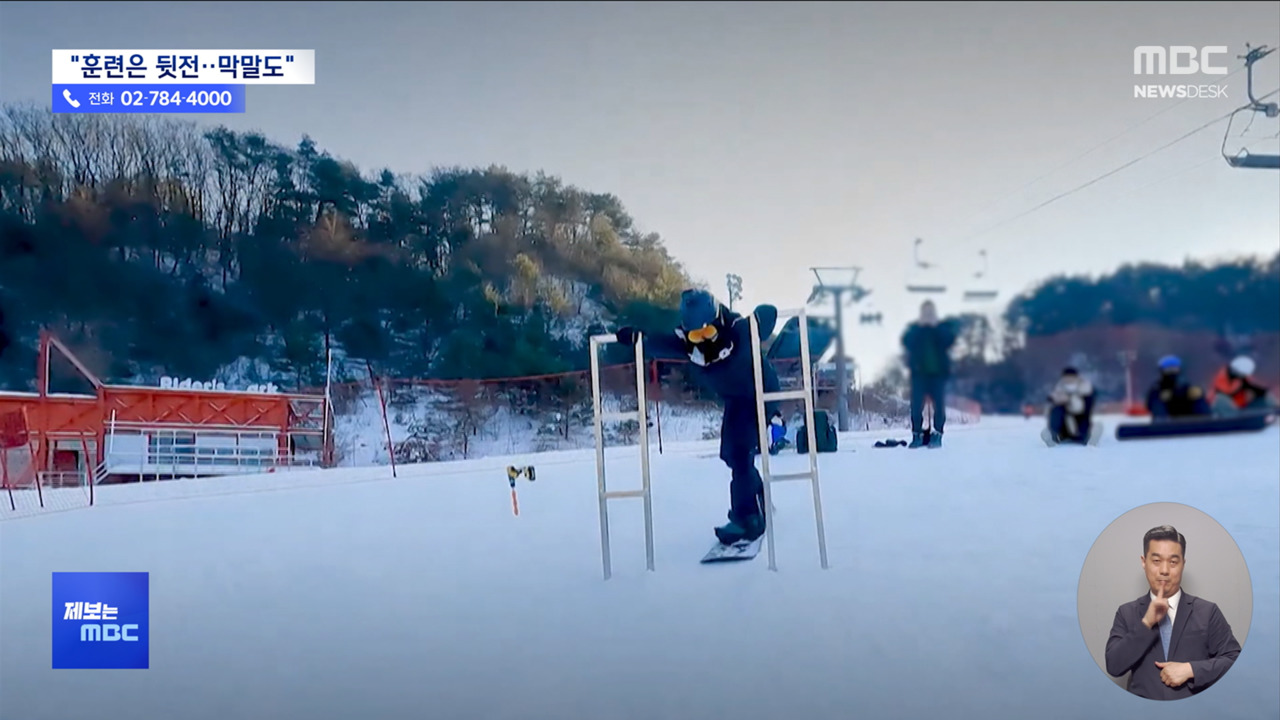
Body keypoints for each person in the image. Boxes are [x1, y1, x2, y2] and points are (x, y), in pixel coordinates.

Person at [613, 289, 779, 546]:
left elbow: (769, 314)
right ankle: (757, 499)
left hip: (760, 393)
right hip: (736, 399)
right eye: (695, 335)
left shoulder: (739, 332)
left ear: (718, 322)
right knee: (732, 456)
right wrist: (636, 338)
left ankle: (748, 518)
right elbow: (656, 343)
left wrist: (758, 319)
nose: (703, 340)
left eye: (708, 332)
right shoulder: (688, 346)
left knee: (740, 453)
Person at [1104, 525, 1242, 701]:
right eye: (1156, 561)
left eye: (1173, 562)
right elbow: (1114, 666)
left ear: (1183, 564)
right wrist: (1146, 623)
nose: (1164, 570)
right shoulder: (1127, 612)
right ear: (1143, 562)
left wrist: (1191, 669)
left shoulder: (1207, 612)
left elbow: (1234, 660)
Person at [900, 300, 958, 448]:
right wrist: (920, 328)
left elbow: (950, 340)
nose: (927, 315)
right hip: (919, 374)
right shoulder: (915, 329)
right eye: (925, 312)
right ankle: (917, 435)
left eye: (930, 312)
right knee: (916, 406)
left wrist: (936, 327)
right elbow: (906, 341)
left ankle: (937, 435)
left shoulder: (941, 328)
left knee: (939, 405)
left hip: (938, 374)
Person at [1042, 366, 1097, 445]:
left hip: (1079, 417)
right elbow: (1051, 402)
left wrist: (1069, 400)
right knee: (1056, 411)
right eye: (1066, 377)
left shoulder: (1084, 387)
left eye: (1071, 377)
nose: (1068, 380)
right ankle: (1053, 436)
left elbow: (1084, 407)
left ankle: (1088, 438)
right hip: (1064, 421)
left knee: (1082, 428)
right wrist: (1057, 401)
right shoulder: (1059, 387)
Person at [1145, 355, 1211, 419]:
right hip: (1166, 423)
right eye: (1168, 370)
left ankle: (1207, 423)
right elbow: (1150, 404)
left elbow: (1195, 394)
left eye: (1174, 369)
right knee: (1158, 404)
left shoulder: (1186, 386)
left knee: (1198, 399)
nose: (1171, 373)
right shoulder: (1156, 388)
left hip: (1189, 419)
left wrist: (1196, 394)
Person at [1207, 355, 1275, 415]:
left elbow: (1252, 385)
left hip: (1240, 407)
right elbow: (1224, 391)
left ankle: (1275, 411)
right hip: (1225, 409)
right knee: (1221, 399)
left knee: (1264, 395)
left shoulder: (1243, 378)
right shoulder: (1222, 377)